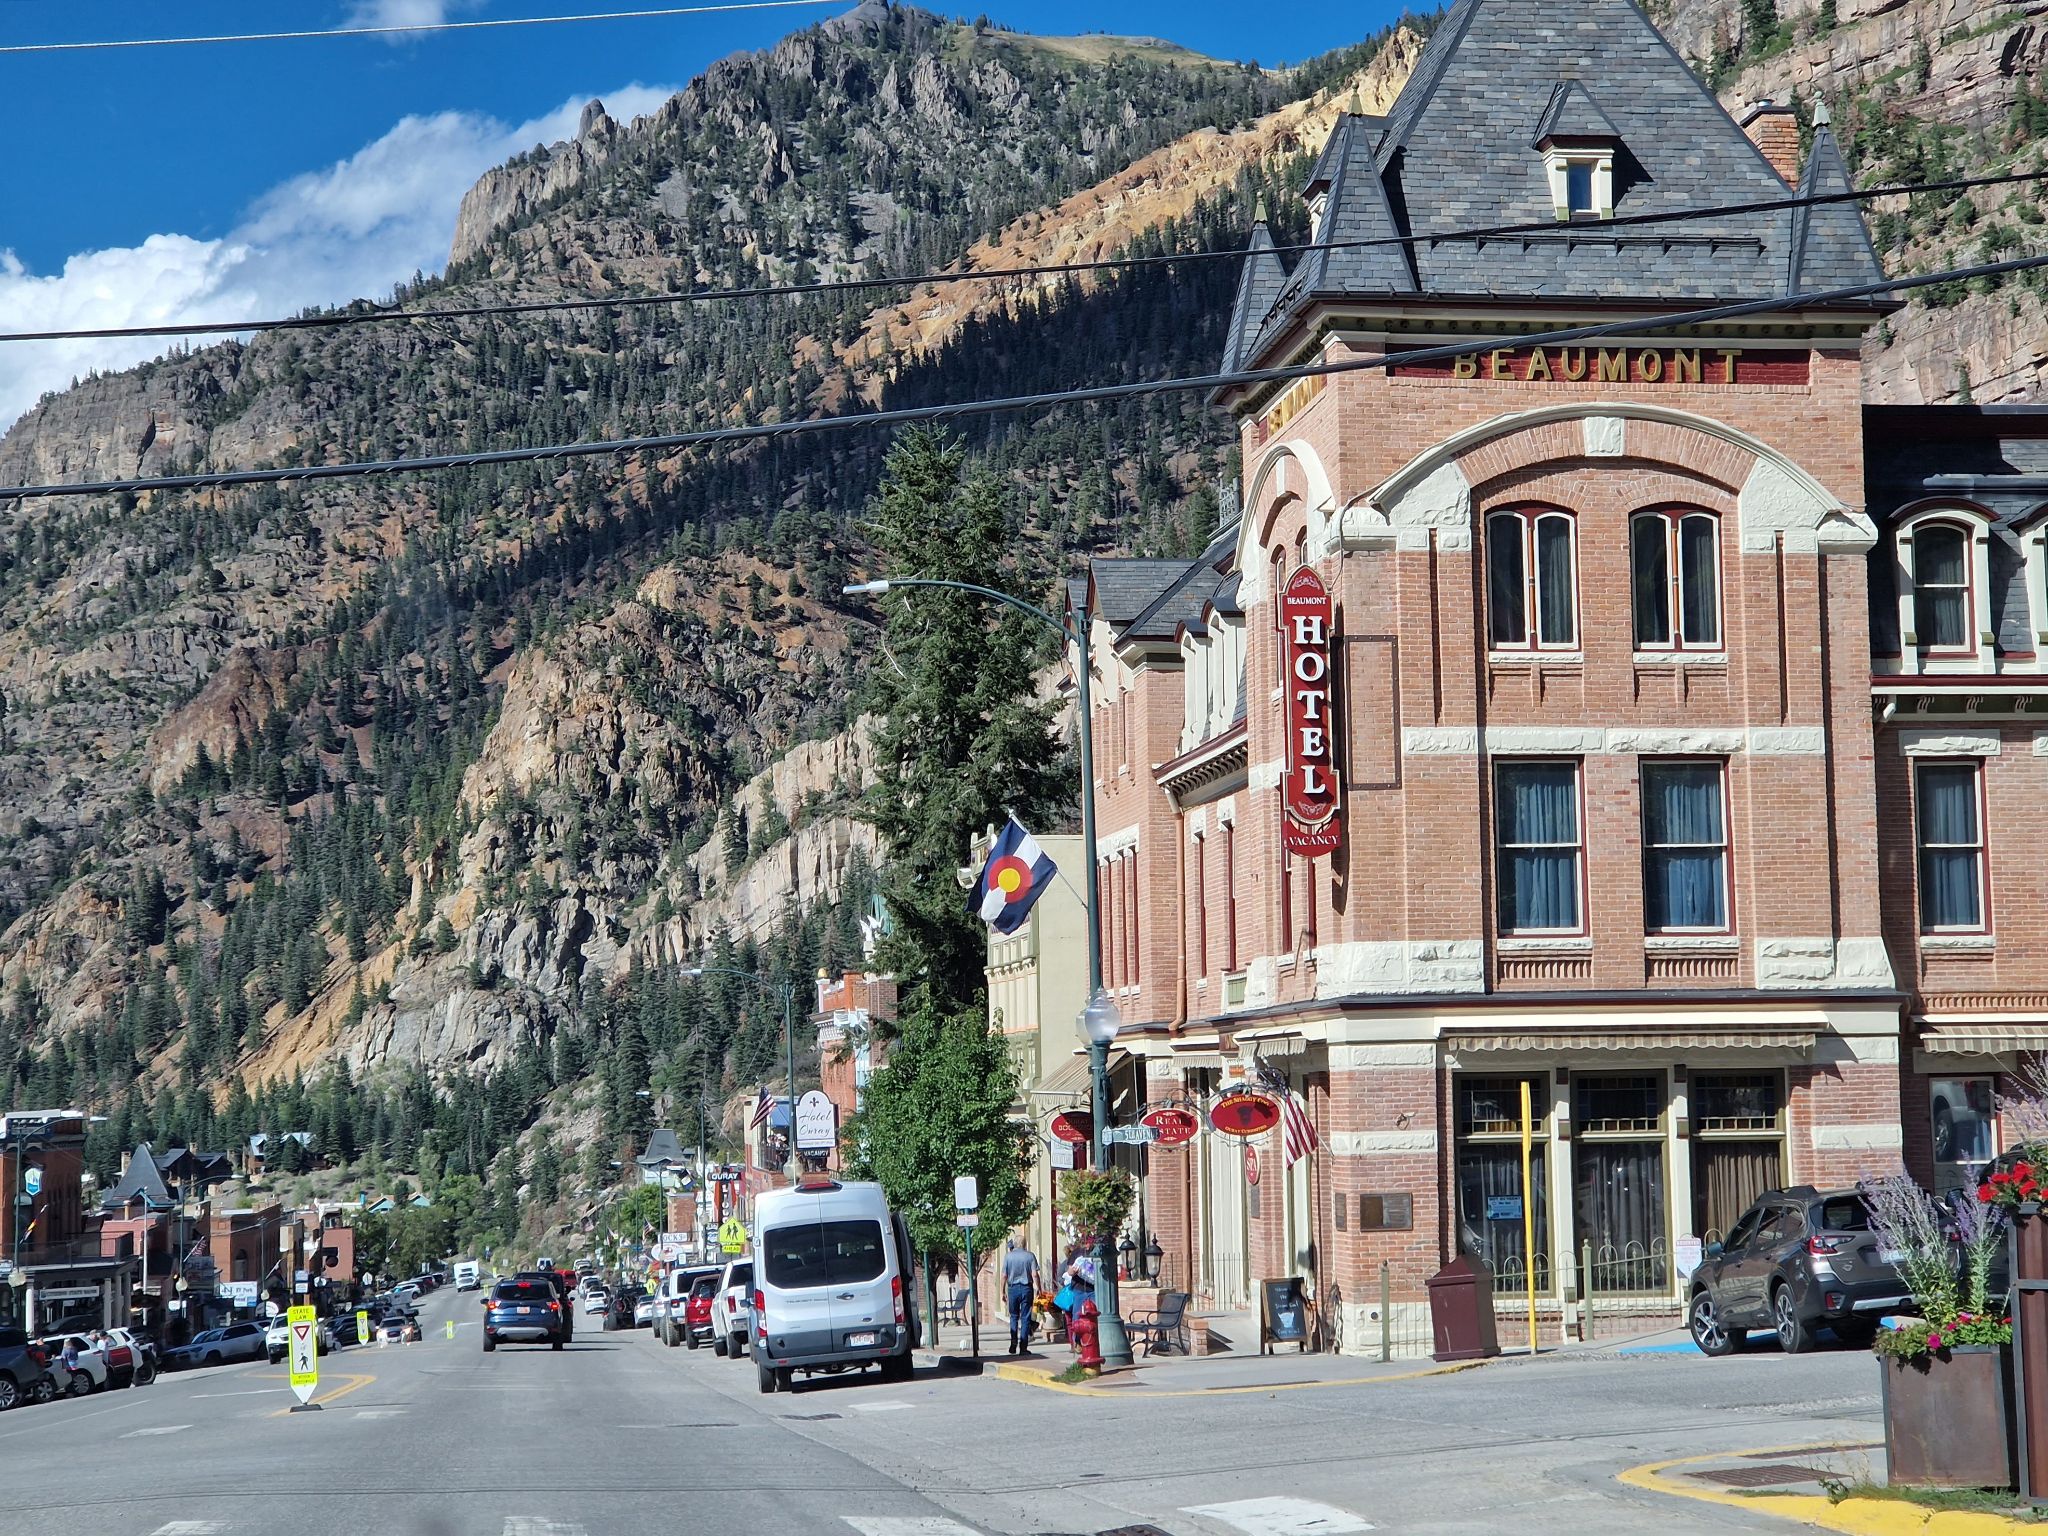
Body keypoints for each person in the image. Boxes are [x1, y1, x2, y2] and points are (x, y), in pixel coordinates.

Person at [1002, 1237, 1041, 1355]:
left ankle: (1013, 1343)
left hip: (1012, 1288)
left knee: (1013, 1316)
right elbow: (1034, 1274)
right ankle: (1023, 1347)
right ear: (1025, 1244)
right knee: (1025, 1317)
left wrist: (1002, 1292)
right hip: (1026, 1288)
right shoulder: (1030, 1256)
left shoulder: (1008, 1257)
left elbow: (1004, 1275)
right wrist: (1039, 1287)